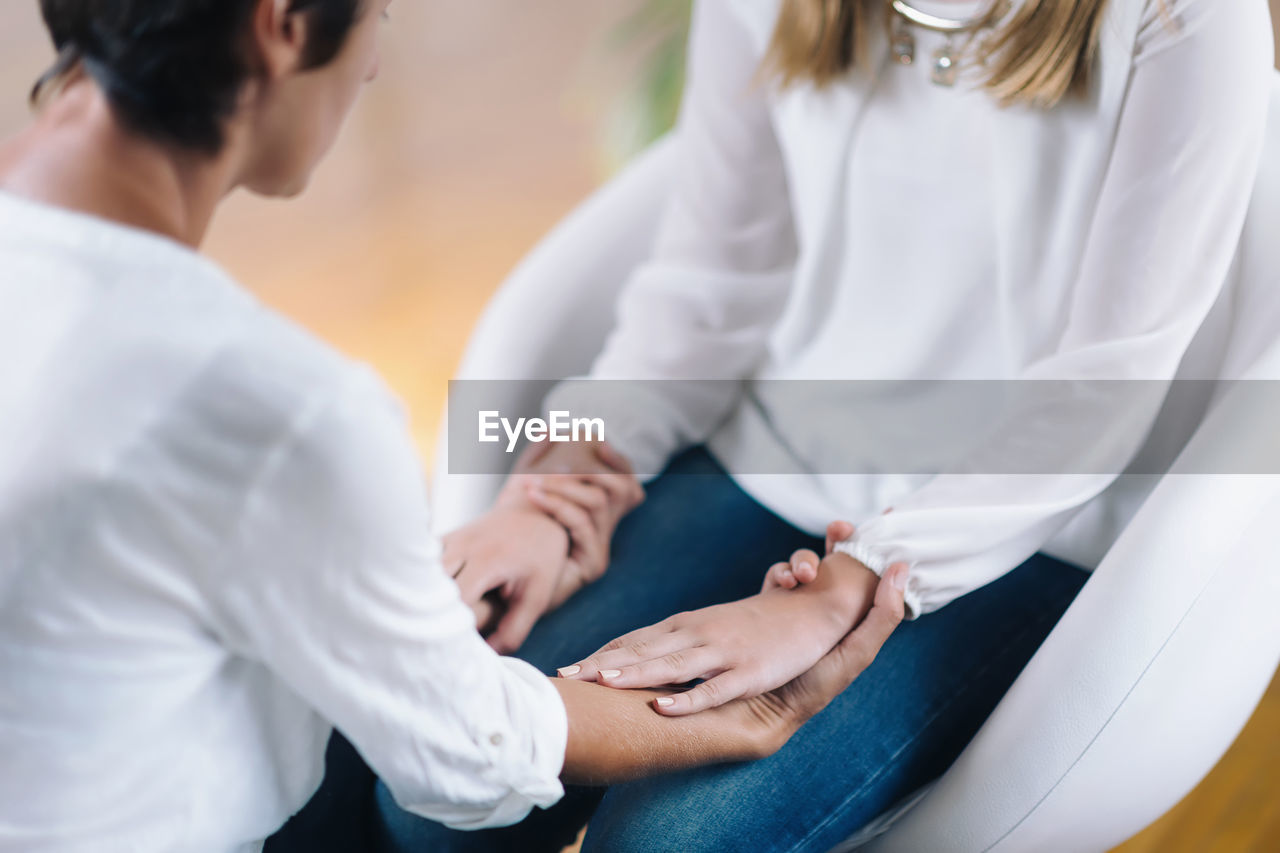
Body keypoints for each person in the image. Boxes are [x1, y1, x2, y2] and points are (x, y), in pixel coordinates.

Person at [0, 1, 909, 851]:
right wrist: (753, 711)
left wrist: (545, 495)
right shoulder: (280, 409)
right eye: (376, 16)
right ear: (280, 26)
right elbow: (468, 754)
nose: (374, 64)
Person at [369, 0, 1275, 850]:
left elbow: (1104, 387)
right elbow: (711, 284)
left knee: (674, 841)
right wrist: (559, 493)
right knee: (434, 795)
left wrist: (846, 588)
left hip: (1016, 530)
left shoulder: (1188, 15)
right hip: (768, 454)